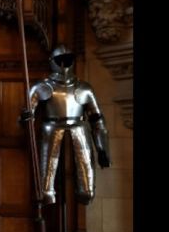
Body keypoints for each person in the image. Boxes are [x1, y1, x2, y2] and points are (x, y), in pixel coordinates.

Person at [22, 45, 111, 205]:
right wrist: (25, 118)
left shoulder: (84, 88)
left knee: (87, 192)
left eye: (67, 60)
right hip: (51, 129)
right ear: (52, 62)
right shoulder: (41, 87)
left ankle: (84, 190)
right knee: (45, 193)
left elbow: (97, 120)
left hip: (79, 129)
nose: (63, 65)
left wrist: (103, 150)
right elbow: (26, 119)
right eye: (59, 60)